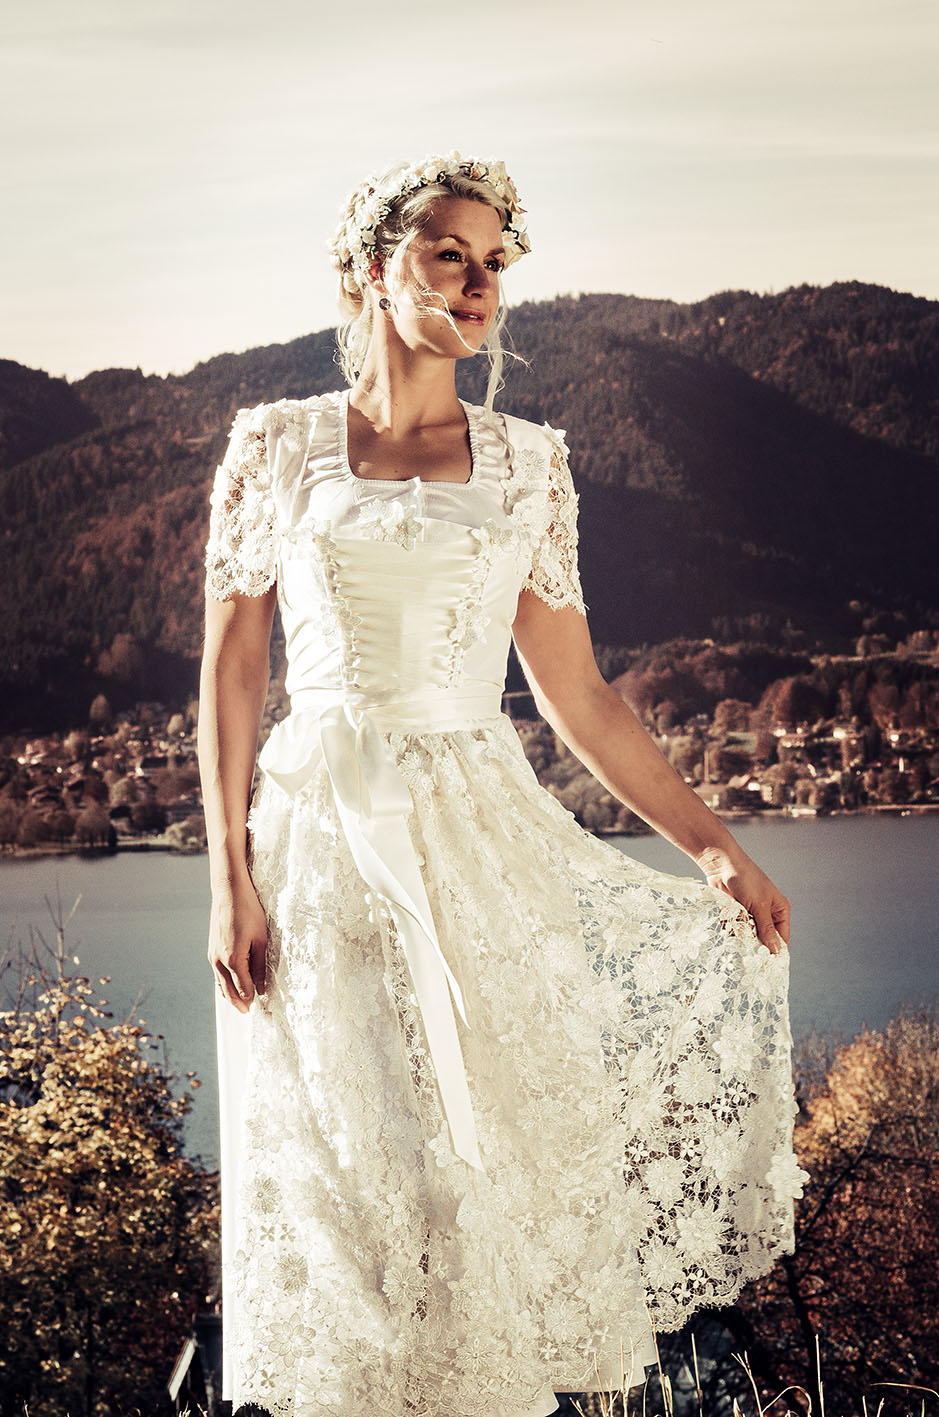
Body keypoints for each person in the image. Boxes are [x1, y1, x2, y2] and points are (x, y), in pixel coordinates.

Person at [198, 151, 809, 1417]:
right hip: (315, 846)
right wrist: (228, 881)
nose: (478, 287)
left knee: (486, 1168)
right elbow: (233, 678)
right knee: (346, 1173)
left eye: (495, 265)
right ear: (377, 268)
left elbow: (578, 696)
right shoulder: (275, 448)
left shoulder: (532, 465)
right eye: (448, 256)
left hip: (479, 841)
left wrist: (714, 848)